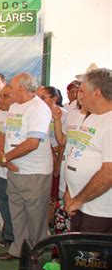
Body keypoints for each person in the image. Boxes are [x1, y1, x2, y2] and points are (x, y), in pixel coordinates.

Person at [0, 73, 52, 261]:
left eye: (12, 85)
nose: (9, 88)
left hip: (34, 172)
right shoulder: (15, 107)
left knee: (35, 216)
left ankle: (35, 252)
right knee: (17, 212)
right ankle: (18, 249)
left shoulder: (39, 109)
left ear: (22, 88)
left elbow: (32, 143)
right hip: (14, 169)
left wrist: (5, 158)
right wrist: (3, 156)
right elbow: (4, 132)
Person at [64, 68, 112, 233]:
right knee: (77, 253)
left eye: (82, 91)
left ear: (97, 93)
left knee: (91, 257)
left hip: (100, 211)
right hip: (80, 204)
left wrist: (78, 199)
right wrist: (70, 192)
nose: (79, 96)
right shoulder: (91, 117)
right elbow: (77, 155)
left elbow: (109, 172)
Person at [52, 88, 87, 234]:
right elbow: (62, 140)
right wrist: (58, 120)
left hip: (85, 180)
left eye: (84, 91)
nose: (80, 95)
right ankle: (61, 254)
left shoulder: (101, 117)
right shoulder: (72, 114)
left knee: (81, 221)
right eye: (80, 91)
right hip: (67, 176)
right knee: (63, 217)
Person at [36, 86, 67, 226]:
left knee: (53, 196)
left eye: (43, 98)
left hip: (57, 159)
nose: (39, 101)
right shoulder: (37, 113)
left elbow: (63, 142)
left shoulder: (64, 115)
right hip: (41, 159)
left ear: (54, 98)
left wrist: (56, 160)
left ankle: (48, 225)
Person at [0, 85, 16, 248]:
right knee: (3, 201)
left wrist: (7, 158)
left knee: (17, 204)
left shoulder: (21, 114)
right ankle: (9, 235)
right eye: (1, 96)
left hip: (17, 168)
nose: (2, 99)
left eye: (6, 96)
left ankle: (18, 236)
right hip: (1, 167)